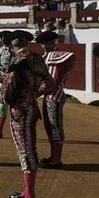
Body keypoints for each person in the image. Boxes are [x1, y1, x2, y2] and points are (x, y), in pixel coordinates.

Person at [3, 31, 54, 198]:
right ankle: (27, 190)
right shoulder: (37, 58)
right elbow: (50, 82)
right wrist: (34, 94)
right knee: (27, 148)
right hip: (30, 106)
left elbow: (8, 93)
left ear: (11, 46)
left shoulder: (17, 61)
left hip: (20, 110)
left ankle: (30, 196)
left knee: (25, 150)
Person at [38, 31, 75, 168]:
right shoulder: (48, 56)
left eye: (47, 43)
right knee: (50, 126)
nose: (44, 46)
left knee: (55, 127)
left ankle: (56, 159)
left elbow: (53, 81)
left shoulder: (55, 57)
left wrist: (36, 92)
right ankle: (53, 156)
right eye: (43, 43)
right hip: (50, 95)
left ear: (52, 43)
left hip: (54, 95)